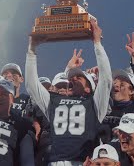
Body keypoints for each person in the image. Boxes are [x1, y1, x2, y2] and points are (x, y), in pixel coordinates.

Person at [25, 19, 112, 165]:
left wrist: (97, 43)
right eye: (71, 77)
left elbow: (106, 80)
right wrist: (32, 50)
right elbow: (31, 85)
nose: (74, 79)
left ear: (88, 88)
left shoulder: (95, 104)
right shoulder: (54, 100)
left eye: (79, 77)